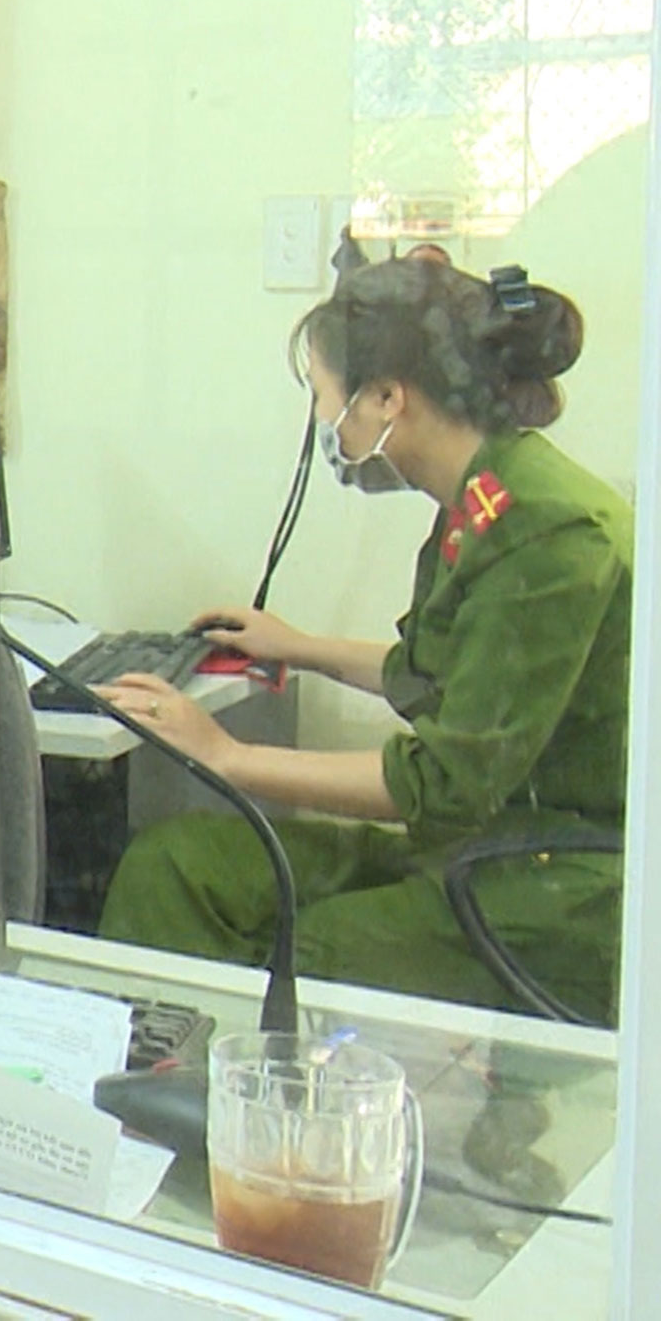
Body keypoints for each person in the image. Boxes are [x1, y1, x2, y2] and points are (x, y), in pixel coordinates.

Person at [96, 259, 628, 1022]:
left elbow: (445, 782)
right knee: (177, 866)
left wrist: (226, 754)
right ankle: (152, 1078)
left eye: (324, 396)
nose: (324, 422)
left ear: (385, 397)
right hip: (493, 842)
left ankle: (229, 1086)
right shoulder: (485, 496)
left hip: (561, 882)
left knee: (312, 956)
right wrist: (300, 646)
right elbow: (440, 673)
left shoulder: (547, 529)